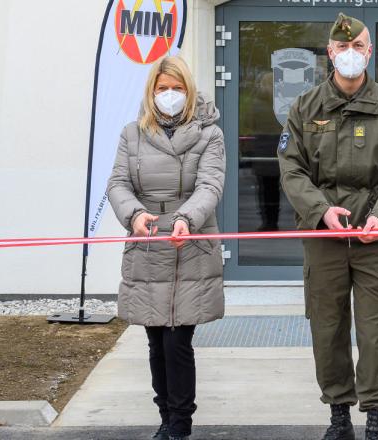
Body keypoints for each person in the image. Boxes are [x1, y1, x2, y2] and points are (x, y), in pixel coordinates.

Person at [276, 12, 378, 440]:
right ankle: (339, 415)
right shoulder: (304, 107)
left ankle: (375, 417)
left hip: (375, 237)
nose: (350, 54)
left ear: (369, 52)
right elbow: (291, 169)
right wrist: (320, 210)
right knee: (327, 325)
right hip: (324, 238)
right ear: (330, 53)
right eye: (342, 48)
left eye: (358, 46)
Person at [106, 55, 225, 440]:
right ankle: (164, 416)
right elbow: (118, 183)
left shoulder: (209, 133)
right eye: (162, 89)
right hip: (147, 244)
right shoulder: (132, 133)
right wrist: (135, 215)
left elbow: (210, 186)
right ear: (151, 92)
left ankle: (180, 422)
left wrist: (185, 219)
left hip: (189, 245)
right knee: (155, 340)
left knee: (177, 340)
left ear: (188, 91)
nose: (169, 96)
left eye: (176, 89)